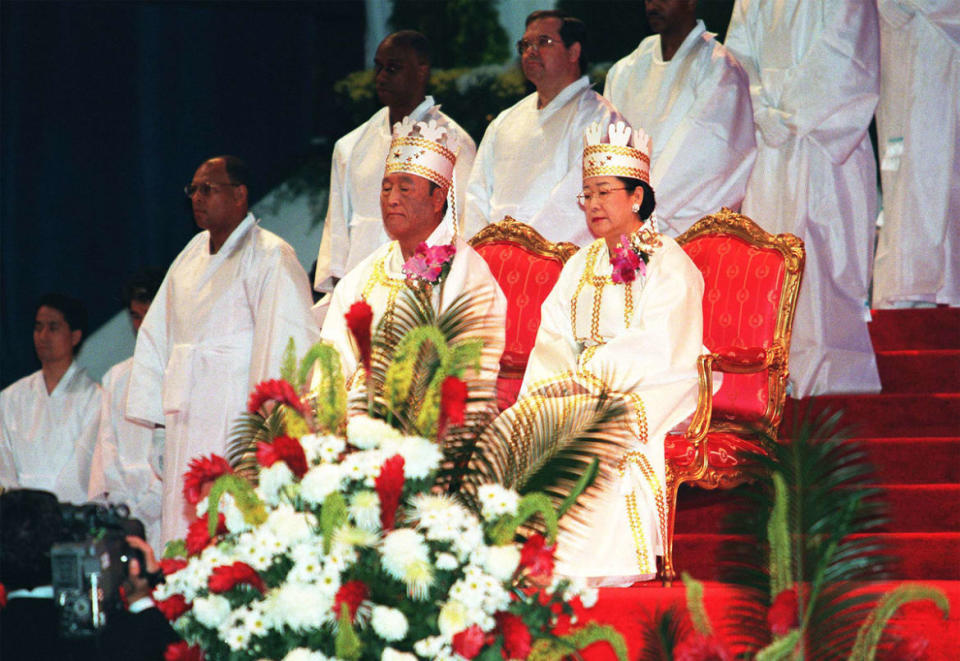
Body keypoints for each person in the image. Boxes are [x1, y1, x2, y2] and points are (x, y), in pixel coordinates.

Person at [499, 121, 706, 586]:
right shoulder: (580, 263)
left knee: (594, 431)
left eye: (603, 192)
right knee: (523, 425)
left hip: (654, 384)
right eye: (586, 194)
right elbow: (553, 337)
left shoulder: (670, 260)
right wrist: (551, 389)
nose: (592, 204)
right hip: (576, 385)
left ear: (636, 196)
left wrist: (588, 381)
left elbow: (663, 342)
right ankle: (525, 559)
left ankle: (587, 566)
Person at [126, 155, 321, 545]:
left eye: (208, 189)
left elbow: (286, 343)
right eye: (193, 190)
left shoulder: (270, 255)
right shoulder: (189, 258)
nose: (197, 197)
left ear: (239, 196)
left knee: (233, 533)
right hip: (186, 424)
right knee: (185, 535)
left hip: (235, 426)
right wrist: (161, 428)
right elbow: (157, 343)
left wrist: (269, 435)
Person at [724, 0, 882, 396]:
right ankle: (768, 376)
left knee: (825, 256)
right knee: (769, 257)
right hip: (769, 146)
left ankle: (831, 378)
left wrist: (790, 114)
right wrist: (762, 110)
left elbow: (848, 54)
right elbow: (737, 60)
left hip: (823, 144)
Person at [321, 116, 506, 394]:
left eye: (405, 189)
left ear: (438, 199)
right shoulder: (364, 275)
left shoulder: (468, 276)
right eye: (386, 188)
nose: (392, 199)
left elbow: (471, 370)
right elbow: (333, 358)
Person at [314, 30, 476, 318]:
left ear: (422, 70)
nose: (381, 76)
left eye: (393, 68)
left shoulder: (453, 142)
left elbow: (462, 226)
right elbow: (337, 229)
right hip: (359, 292)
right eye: (378, 67)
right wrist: (341, 291)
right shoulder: (351, 146)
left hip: (421, 295)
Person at [463, 10, 624, 245]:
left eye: (543, 42)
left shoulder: (600, 120)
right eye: (525, 45)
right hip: (491, 260)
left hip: (559, 260)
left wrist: (525, 252)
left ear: (573, 52)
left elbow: (577, 204)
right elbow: (476, 196)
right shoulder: (505, 121)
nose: (531, 51)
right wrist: (479, 253)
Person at [603, 0, 756, 236]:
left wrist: (641, 209)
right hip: (627, 217)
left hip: (689, 225)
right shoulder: (625, 70)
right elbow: (608, 149)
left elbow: (706, 158)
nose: (652, 4)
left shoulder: (720, 68)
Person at [872, 0, 959, 309]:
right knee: (900, 169)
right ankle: (902, 281)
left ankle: (939, 286)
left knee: (940, 171)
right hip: (898, 54)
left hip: (945, 57)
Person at [89, 268, 166, 551]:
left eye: (149, 315)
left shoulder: (184, 372)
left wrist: (149, 506)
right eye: (135, 316)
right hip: (127, 517)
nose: (142, 325)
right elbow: (106, 453)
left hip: (170, 511)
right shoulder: (116, 377)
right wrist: (126, 511)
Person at [0, 294, 101, 503]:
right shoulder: (11, 397)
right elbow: (4, 462)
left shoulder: (96, 398)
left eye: (53, 327)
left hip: (73, 511)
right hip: (19, 515)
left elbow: (85, 467)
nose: (43, 336)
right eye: (38, 327)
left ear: (75, 336)